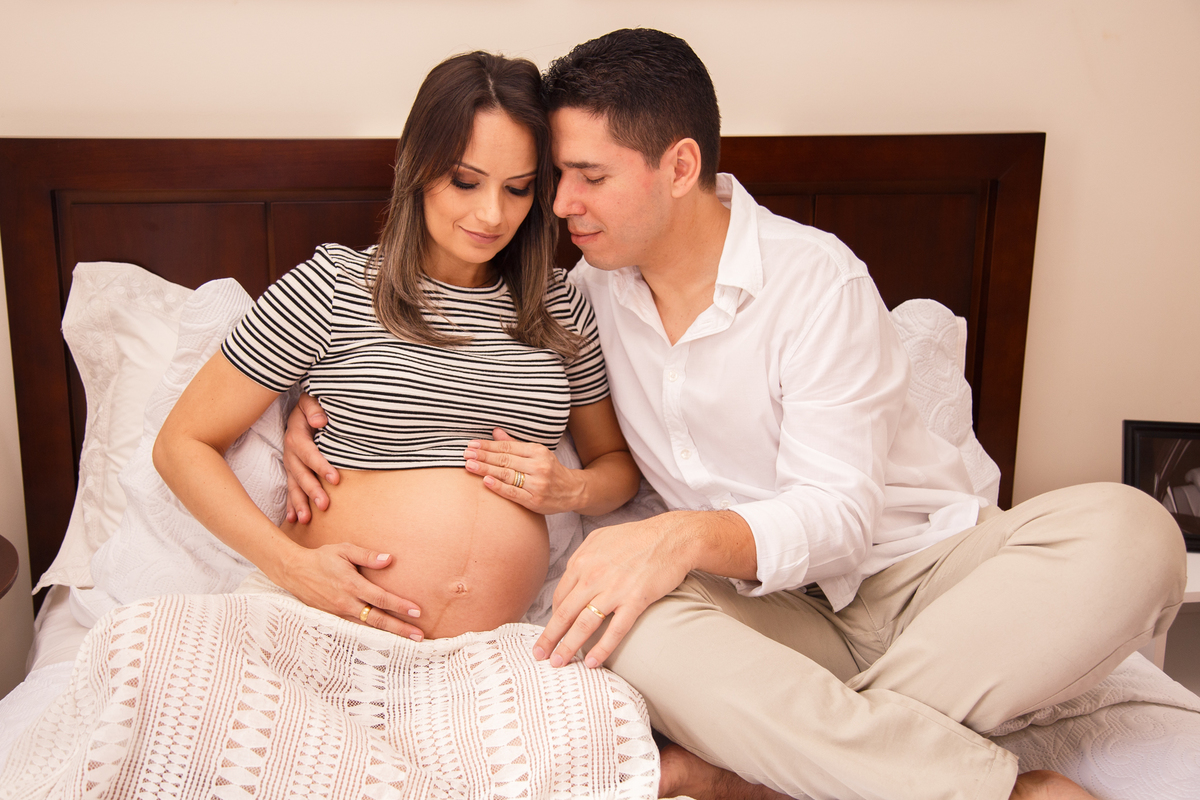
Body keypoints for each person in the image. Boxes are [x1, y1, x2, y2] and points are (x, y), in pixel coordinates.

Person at [283, 30, 1186, 800]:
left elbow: (839, 520)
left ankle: (761, 768)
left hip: (927, 578)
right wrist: (308, 414)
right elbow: (468, 376)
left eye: (589, 176)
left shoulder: (817, 280)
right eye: (556, 176)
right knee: (628, 628)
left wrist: (680, 537)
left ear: (679, 167)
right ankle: (967, 782)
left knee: (1133, 532)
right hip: (764, 615)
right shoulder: (585, 298)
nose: (558, 206)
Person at [154, 50, 640, 643]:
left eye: (517, 189)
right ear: (418, 166)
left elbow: (616, 466)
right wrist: (291, 566)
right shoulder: (336, 285)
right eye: (465, 181)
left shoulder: (557, 306)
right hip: (321, 623)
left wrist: (572, 488)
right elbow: (181, 444)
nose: (492, 214)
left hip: (494, 649)